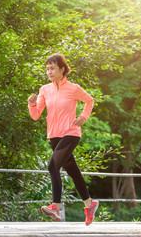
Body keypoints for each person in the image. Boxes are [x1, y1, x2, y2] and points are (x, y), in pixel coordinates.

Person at [27, 53, 99, 226]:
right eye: (47, 69)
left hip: (71, 132)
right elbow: (36, 115)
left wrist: (83, 117)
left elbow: (89, 101)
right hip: (54, 135)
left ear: (62, 69)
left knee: (52, 166)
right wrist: (31, 104)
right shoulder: (44, 90)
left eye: (52, 68)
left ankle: (55, 207)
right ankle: (90, 205)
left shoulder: (73, 88)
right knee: (73, 171)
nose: (49, 72)